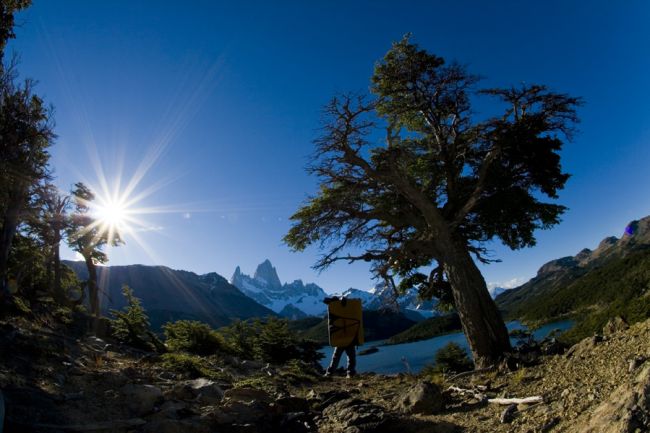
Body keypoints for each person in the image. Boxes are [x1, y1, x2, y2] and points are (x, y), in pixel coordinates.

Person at [323, 296, 360, 378]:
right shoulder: (345, 306)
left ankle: (332, 373)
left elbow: (326, 300)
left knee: (339, 357)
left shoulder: (338, 307)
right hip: (346, 336)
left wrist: (332, 302)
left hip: (343, 336)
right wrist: (332, 301)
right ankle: (350, 373)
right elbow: (325, 300)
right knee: (349, 357)